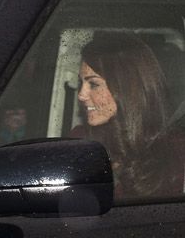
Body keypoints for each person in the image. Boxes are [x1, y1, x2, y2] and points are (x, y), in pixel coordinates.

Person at [76, 31, 185, 198]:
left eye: (94, 84)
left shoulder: (174, 154)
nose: (81, 95)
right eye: (81, 83)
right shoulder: (79, 141)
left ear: (127, 88)